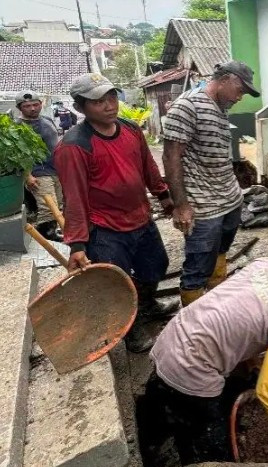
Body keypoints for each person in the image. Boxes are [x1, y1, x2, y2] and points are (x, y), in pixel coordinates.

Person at [146, 252, 268, 464]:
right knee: (213, 456)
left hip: (169, 341)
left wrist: (250, 360)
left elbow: (236, 313)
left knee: (156, 422)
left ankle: (150, 454)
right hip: (192, 370)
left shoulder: (266, 264)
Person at [54, 73, 177, 353]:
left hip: (141, 218)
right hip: (105, 228)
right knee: (117, 285)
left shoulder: (131, 130)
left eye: (112, 97)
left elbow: (148, 167)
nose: (109, 105)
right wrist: (77, 244)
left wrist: (163, 195)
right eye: (99, 101)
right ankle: (129, 332)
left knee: (156, 266)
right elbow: (74, 197)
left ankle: (146, 306)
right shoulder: (73, 146)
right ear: (80, 107)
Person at [162, 61, 261, 307]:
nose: (241, 98)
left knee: (219, 255)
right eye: (240, 90)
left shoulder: (219, 105)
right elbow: (171, 155)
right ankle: (193, 323)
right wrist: (181, 205)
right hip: (203, 207)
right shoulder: (188, 105)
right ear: (226, 79)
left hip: (229, 200)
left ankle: (217, 307)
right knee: (198, 267)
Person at [15, 90, 62, 241]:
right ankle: (46, 237)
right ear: (20, 108)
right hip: (38, 172)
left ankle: (53, 232)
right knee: (48, 206)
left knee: (59, 204)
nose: (33, 108)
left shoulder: (47, 119)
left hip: (56, 169)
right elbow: (17, 154)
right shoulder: (18, 126)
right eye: (27, 106)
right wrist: (27, 176)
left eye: (35, 104)